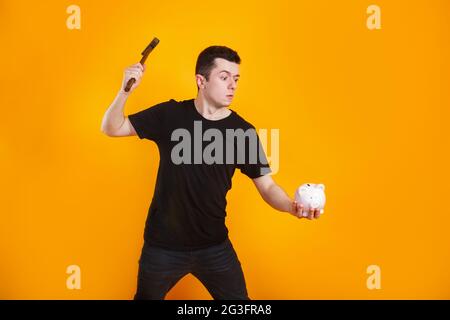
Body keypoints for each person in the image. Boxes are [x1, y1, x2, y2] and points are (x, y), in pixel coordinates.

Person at [100, 45, 322, 300]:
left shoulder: (243, 132)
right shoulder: (170, 115)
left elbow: (268, 187)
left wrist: (291, 207)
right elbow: (111, 127)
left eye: (236, 79)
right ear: (201, 81)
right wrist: (125, 90)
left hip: (214, 247)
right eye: (224, 77)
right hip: (163, 247)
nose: (233, 85)